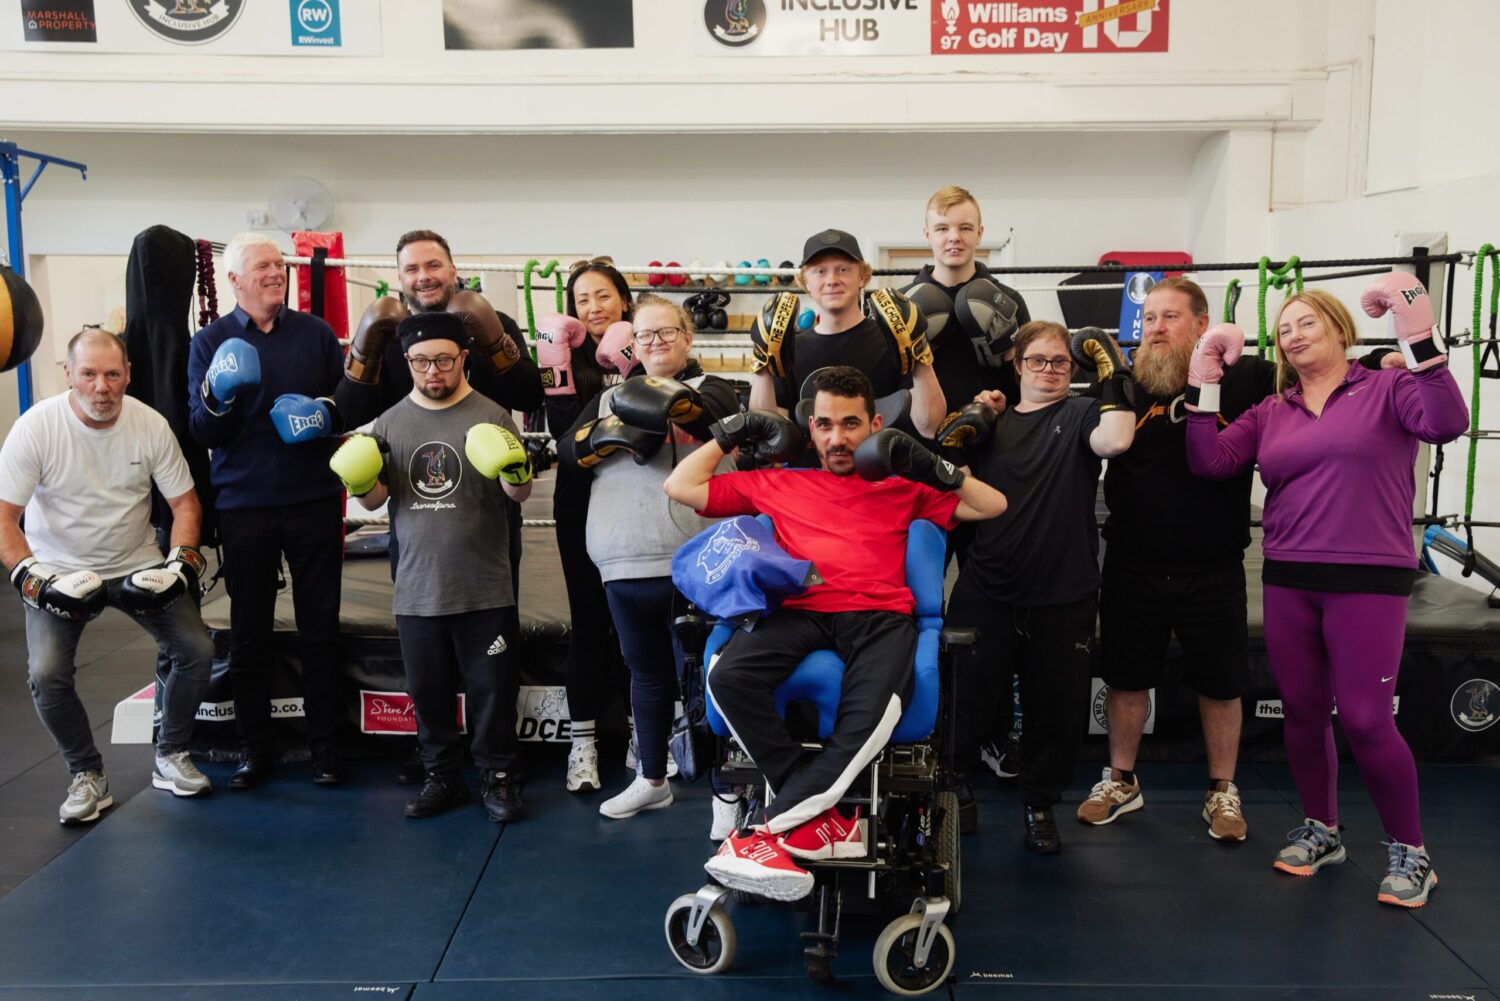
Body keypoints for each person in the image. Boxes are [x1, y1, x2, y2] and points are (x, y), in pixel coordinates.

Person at [1081, 277, 1409, 842]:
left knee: (1222, 682)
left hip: (1213, 562)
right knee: (1125, 677)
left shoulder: (1248, 377)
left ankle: (1222, 789)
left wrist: (1381, 356)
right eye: (1149, 319)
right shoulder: (1125, 383)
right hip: (1133, 558)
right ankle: (1121, 779)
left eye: (1169, 317)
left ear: (1202, 324)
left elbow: (1313, 367)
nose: (1155, 328)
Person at [664, 366, 1006, 901]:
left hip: (879, 617)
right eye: (824, 425)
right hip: (799, 608)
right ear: (810, 429)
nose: (837, 438)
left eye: (850, 424)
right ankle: (817, 825)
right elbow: (680, 486)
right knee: (728, 678)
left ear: (873, 425)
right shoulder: (782, 481)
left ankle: (759, 835)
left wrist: (934, 466)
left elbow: (993, 504)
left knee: (865, 724)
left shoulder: (902, 486)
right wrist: (729, 432)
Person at [1186, 276, 1468, 908]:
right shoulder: (1271, 411)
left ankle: (1410, 851)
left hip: (1368, 577)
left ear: (1341, 329)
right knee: (1304, 713)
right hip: (1289, 574)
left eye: (1306, 323)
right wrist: (1203, 379)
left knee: (1367, 720)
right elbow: (1210, 462)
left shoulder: (1390, 385)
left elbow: (1449, 423)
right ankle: (1322, 828)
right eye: (1284, 330)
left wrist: (1418, 341)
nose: (1293, 336)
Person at [336, 229, 542, 785]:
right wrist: (363, 346)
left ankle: (497, 762)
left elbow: (527, 393)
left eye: (433, 265)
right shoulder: (387, 331)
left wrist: (492, 332)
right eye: (411, 269)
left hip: (486, 514)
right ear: (398, 277)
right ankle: (436, 763)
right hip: (415, 524)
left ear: (453, 269)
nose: (423, 276)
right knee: (425, 662)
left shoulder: (486, 320)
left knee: (490, 653)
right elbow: (353, 410)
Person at [1, 328, 217, 822]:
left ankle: (171, 754)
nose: (102, 386)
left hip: (135, 562)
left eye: (112, 374)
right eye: (89, 374)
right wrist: (35, 580)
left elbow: (185, 503)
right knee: (46, 674)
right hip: (58, 569)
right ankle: (87, 775)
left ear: (127, 375)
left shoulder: (150, 424)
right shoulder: (37, 428)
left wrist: (181, 562)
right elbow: (4, 519)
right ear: (69, 376)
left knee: (197, 651)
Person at [945, 321, 1135, 854]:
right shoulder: (989, 422)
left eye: (1059, 362)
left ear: (1072, 370)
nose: (1049, 370)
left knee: (1055, 710)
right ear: (1018, 364)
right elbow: (953, 502)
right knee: (966, 699)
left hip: (1063, 592)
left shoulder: (1080, 414)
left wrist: (1114, 370)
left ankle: (1038, 805)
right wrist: (964, 428)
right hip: (989, 585)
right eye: (1038, 360)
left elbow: (1117, 439)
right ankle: (955, 791)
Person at [557, 293, 740, 819]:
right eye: (644, 336)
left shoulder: (715, 388)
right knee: (647, 675)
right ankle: (651, 777)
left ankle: (724, 795)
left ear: (688, 337)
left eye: (667, 333)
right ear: (630, 345)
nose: (656, 343)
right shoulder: (607, 400)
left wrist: (676, 407)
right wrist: (607, 434)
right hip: (621, 563)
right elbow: (570, 452)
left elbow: (722, 425)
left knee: (710, 676)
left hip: (692, 562)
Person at [187, 232, 347, 789]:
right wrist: (220, 395)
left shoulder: (317, 334)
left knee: (320, 629)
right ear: (233, 280)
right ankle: (255, 747)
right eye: (263, 266)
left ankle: (326, 747)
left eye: (280, 264)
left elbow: (346, 403)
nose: (276, 273)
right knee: (249, 632)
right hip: (245, 505)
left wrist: (322, 411)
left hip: (314, 501)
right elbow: (204, 430)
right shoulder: (209, 341)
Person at [903, 185, 1034, 782]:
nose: (953, 237)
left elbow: (1030, 379)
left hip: (990, 470)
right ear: (926, 234)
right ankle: (916, 729)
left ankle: (990, 733)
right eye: (941, 227)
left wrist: (1003, 399)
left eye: (964, 226)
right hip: (923, 472)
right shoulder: (900, 303)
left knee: (993, 608)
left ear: (980, 232)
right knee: (915, 601)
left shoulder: (1007, 299)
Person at [537, 258, 636, 794]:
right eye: (582, 301)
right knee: (588, 623)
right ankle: (583, 744)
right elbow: (564, 441)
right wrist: (559, 369)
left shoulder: (645, 346)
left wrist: (632, 368)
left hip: (636, 504)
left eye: (603, 296)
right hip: (580, 504)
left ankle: (646, 735)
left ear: (623, 298)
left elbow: (648, 428)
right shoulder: (561, 357)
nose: (593, 308)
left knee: (638, 623)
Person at [749, 229, 947, 439]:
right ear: (806, 281)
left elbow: (930, 426)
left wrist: (919, 350)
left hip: (880, 470)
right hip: (810, 471)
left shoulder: (893, 340)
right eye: (820, 271)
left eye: (843, 269)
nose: (832, 280)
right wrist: (762, 362)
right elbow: (767, 435)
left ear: (862, 276)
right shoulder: (789, 348)